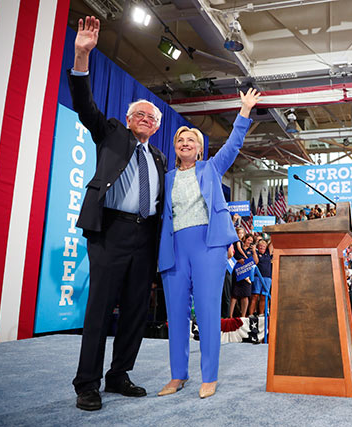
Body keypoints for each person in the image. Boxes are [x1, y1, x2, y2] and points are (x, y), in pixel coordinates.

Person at [69, 16, 168, 411]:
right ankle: (86, 383)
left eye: (153, 118)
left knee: (134, 313)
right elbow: (84, 105)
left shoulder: (160, 157)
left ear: (158, 128)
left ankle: (119, 374)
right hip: (110, 231)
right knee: (99, 309)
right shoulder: (110, 132)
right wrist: (81, 55)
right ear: (128, 119)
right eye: (140, 115)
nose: (146, 120)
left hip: (146, 238)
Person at [157, 87, 259, 399]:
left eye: (191, 140)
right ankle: (178, 376)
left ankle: (209, 376)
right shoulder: (168, 177)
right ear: (175, 148)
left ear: (199, 149)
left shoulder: (211, 168)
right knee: (176, 314)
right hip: (174, 248)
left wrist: (244, 111)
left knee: (207, 311)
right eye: (180, 140)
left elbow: (233, 145)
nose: (185, 143)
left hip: (208, 246)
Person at [249, 239, 272, 315]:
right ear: (257, 247)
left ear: (266, 247)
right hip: (257, 277)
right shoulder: (256, 253)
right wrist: (254, 252)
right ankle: (251, 314)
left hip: (267, 277)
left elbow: (272, 242)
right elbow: (256, 261)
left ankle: (261, 314)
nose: (262, 248)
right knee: (255, 296)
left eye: (264, 246)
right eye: (260, 246)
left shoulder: (268, 253)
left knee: (264, 296)